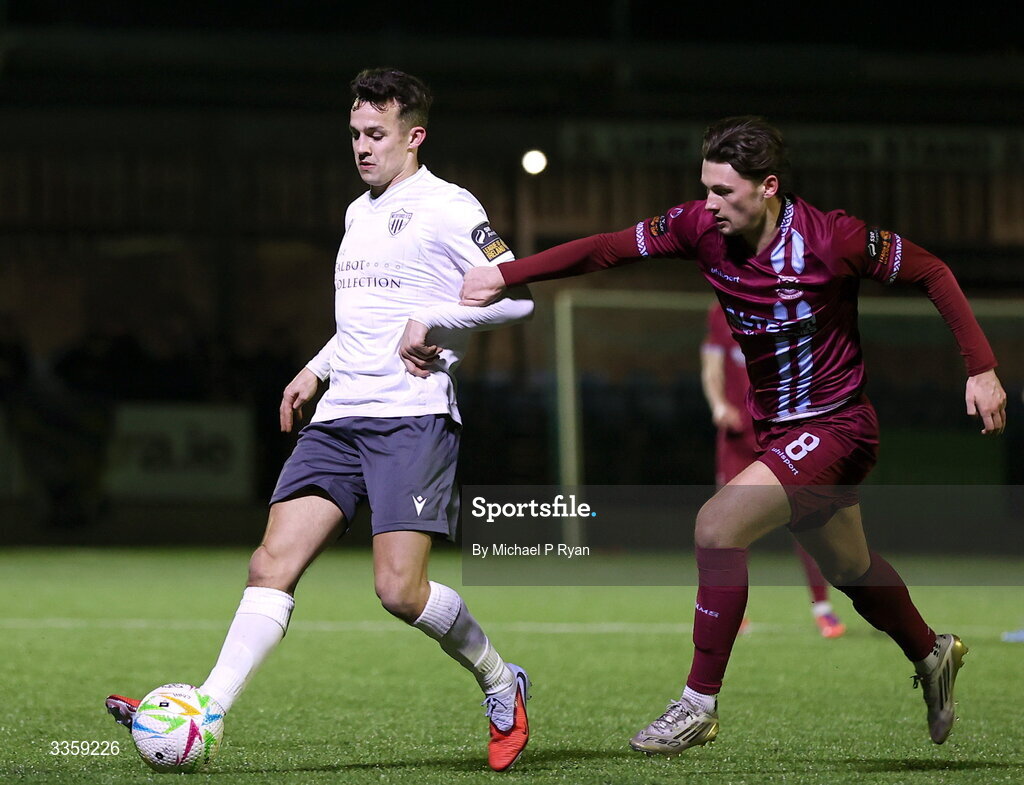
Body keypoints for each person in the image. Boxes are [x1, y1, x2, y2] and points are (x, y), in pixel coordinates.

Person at [460, 116, 1006, 755]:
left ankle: (697, 705)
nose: (709, 205)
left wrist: (982, 368)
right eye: (706, 189)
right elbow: (608, 247)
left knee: (717, 525)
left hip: (838, 426)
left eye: (724, 192)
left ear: (768, 187)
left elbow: (933, 271)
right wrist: (509, 273)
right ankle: (931, 650)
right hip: (781, 434)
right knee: (849, 566)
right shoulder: (700, 228)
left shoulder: (835, 239)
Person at [105, 68, 535, 772]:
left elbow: (517, 297)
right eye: (355, 134)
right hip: (339, 416)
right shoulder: (357, 212)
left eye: (376, 134)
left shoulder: (449, 206)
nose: (362, 147)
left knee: (399, 590)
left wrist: (436, 321)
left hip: (410, 416)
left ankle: (498, 678)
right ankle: (204, 708)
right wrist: (317, 366)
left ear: (414, 136)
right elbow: (365, 322)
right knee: (270, 561)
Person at [701, 301, 845, 638]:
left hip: (784, 437)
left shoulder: (793, 308)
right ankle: (731, 613)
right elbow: (711, 368)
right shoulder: (719, 311)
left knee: (806, 519)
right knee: (727, 525)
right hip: (737, 440)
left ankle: (822, 608)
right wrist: (719, 405)